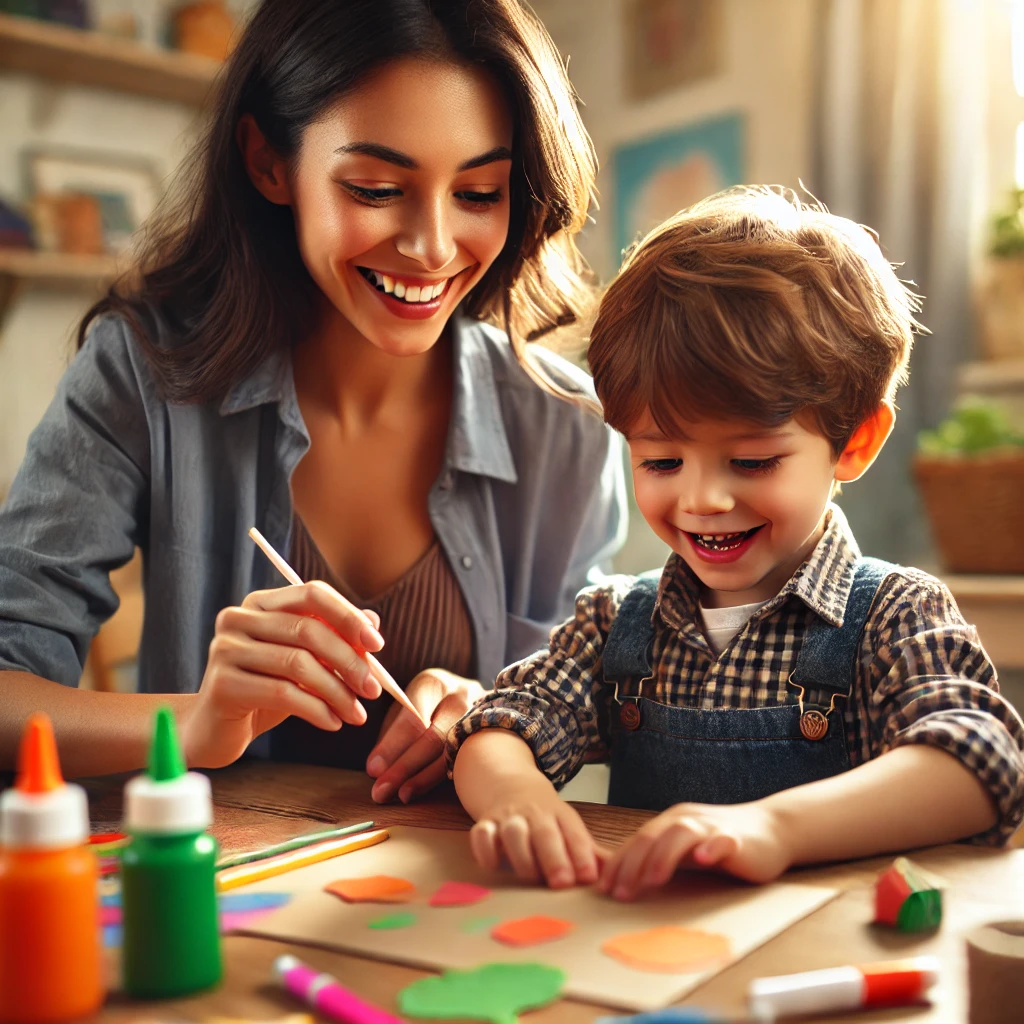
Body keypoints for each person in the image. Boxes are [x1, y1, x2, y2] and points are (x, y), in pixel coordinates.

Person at [0, 0, 627, 799]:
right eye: (375, 187)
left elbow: (589, 699)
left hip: (451, 902)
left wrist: (496, 718)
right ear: (268, 163)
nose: (433, 246)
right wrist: (194, 723)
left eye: (478, 194)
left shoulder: (565, 426)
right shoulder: (144, 371)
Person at [448, 186, 1024, 896]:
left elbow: (979, 763)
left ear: (856, 442)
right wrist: (515, 796)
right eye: (661, 461)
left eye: (751, 461)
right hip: (644, 949)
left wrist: (776, 829)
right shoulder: (614, 623)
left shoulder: (896, 615)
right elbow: (501, 725)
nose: (702, 499)